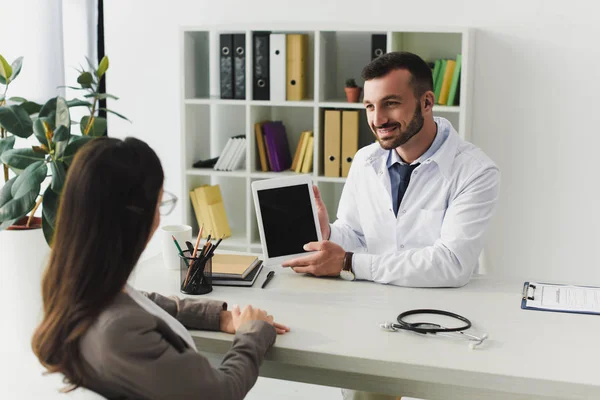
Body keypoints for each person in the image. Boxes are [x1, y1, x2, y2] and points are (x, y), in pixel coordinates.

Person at [283, 52, 500, 399]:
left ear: (427, 101)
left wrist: (350, 263)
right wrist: (328, 234)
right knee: (362, 393)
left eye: (391, 104)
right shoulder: (367, 159)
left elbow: (452, 264)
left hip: (445, 316)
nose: (378, 118)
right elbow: (355, 235)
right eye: (369, 106)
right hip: (375, 308)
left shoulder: (475, 171)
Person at [31, 137, 289, 399]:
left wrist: (217, 317)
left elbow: (141, 301)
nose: (158, 217)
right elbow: (220, 392)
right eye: (159, 203)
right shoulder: (121, 332)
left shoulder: (73, 290)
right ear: (135, 220)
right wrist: (252, 335)